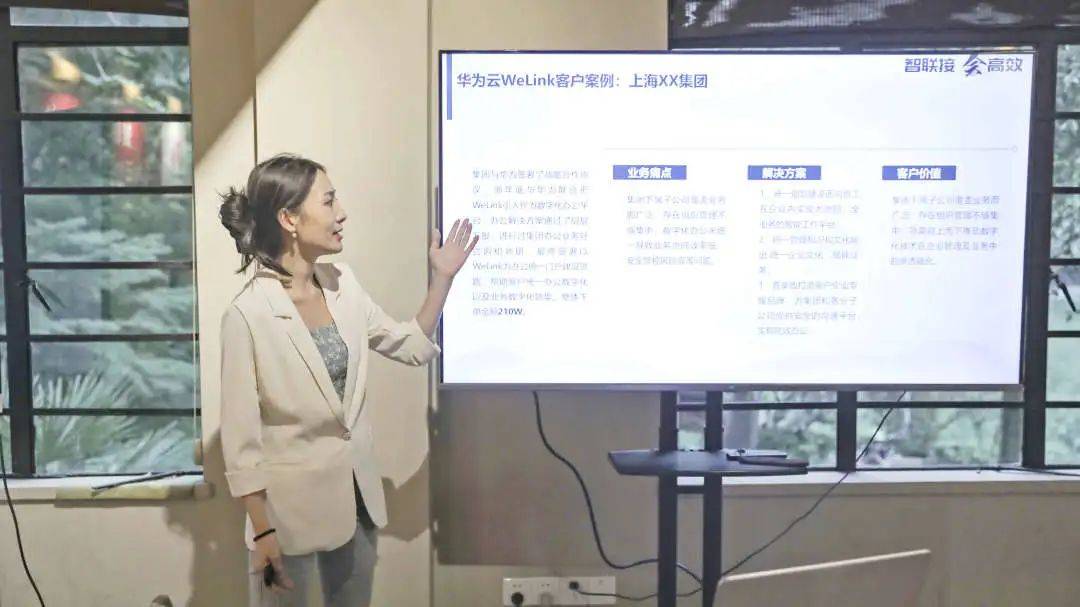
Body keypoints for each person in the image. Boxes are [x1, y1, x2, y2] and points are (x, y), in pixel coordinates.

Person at [217, 154, 477, 606]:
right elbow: (241, 444)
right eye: (329, 201)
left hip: (358, 506)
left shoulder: (344, 284)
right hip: (287, 520)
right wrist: (262, 533)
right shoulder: (247, 314)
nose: (342, 214)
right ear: (289, 219)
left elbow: (410, 346)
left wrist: (442, 279)